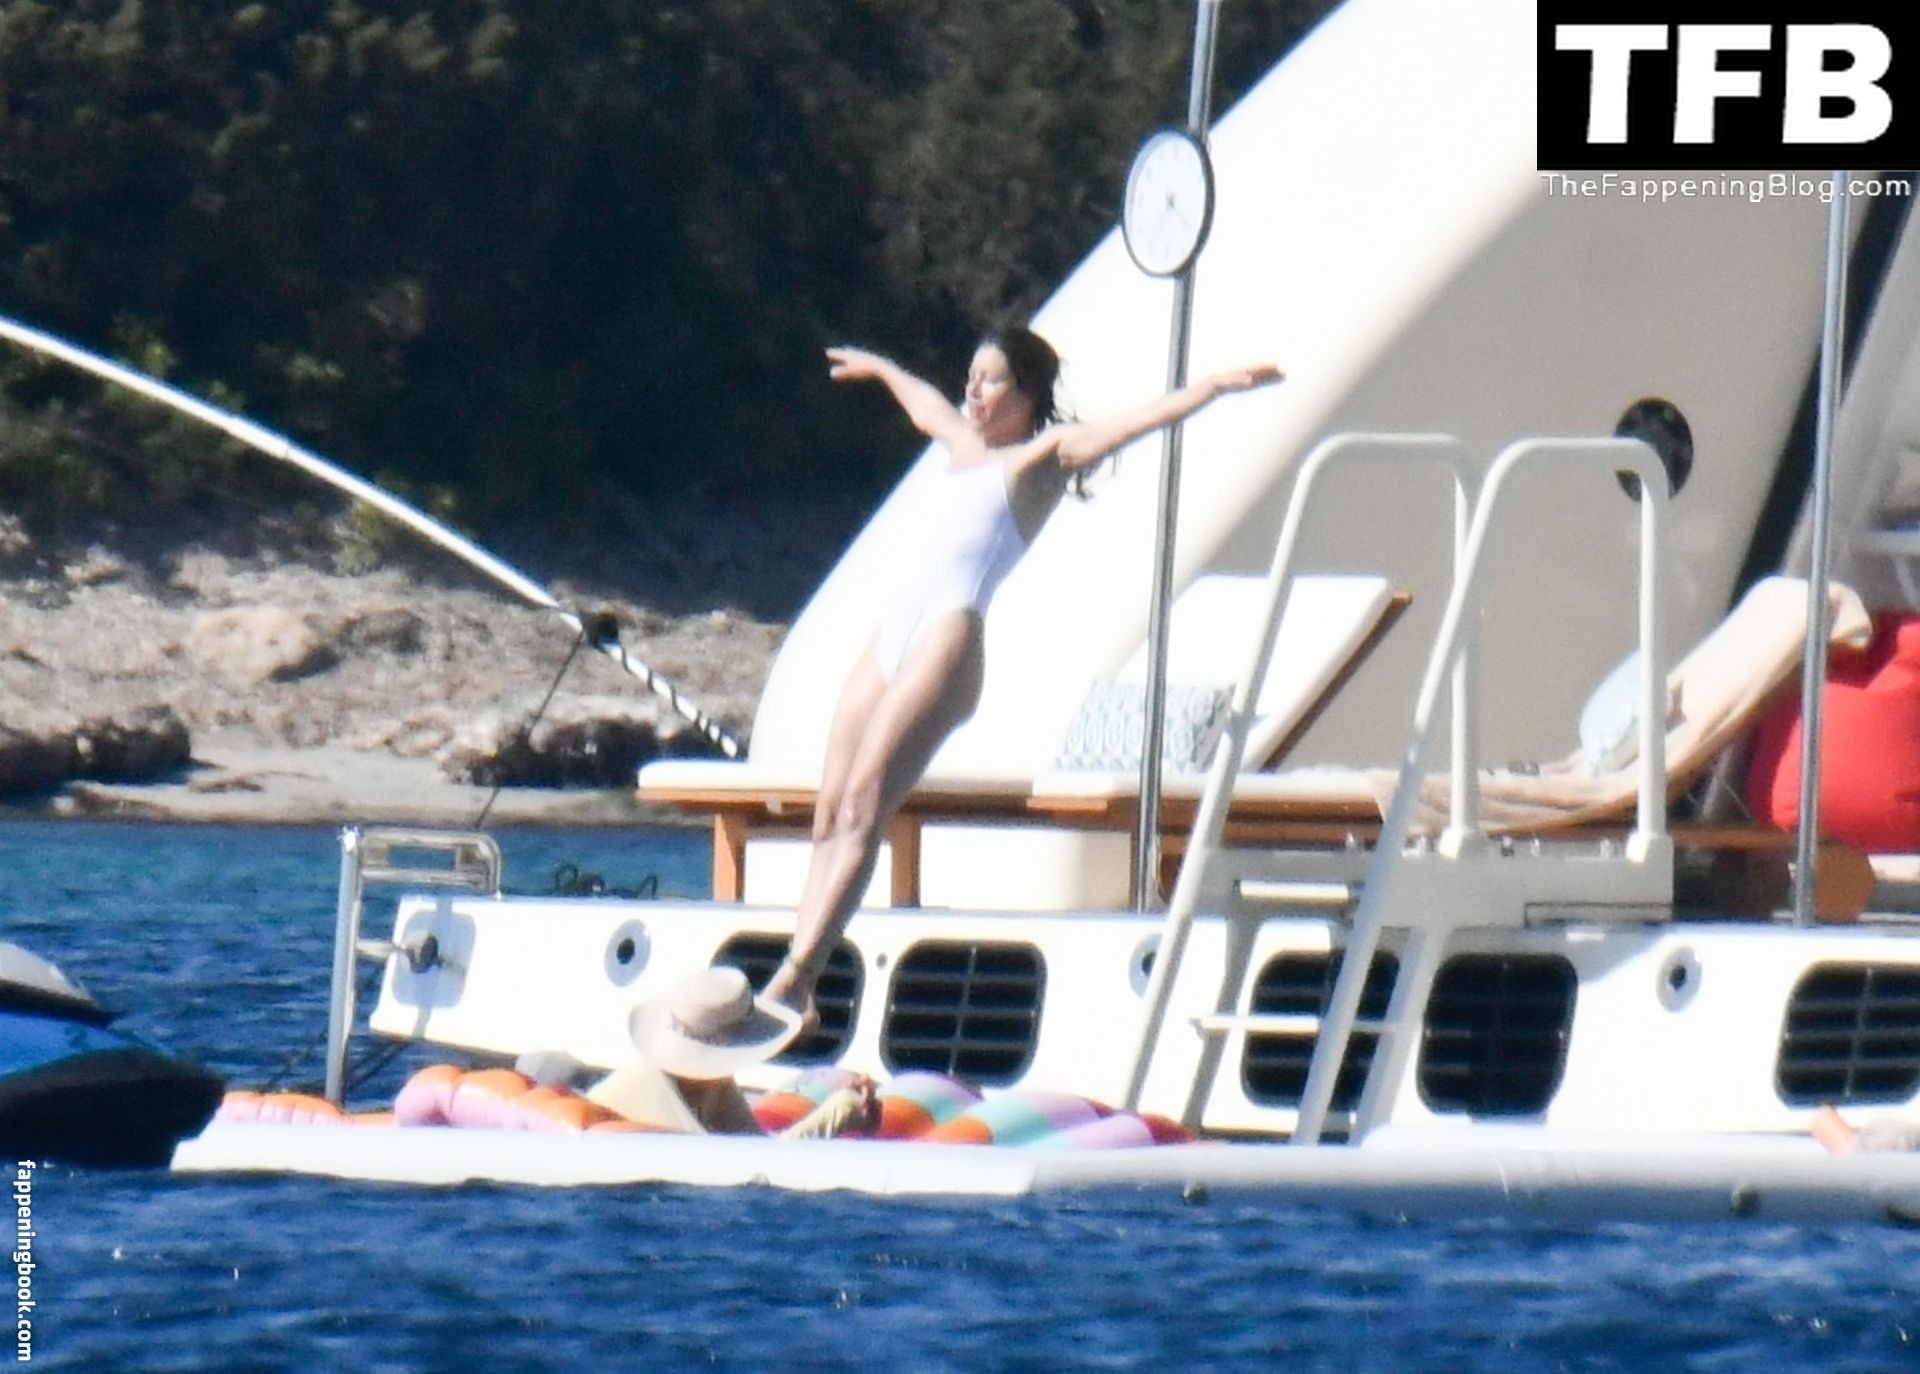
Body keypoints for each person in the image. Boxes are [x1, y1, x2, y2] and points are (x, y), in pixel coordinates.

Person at [764, 326, 1284, 1025]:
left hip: (945, 641)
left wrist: (1211, 388)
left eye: (991, 381)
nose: (973, 392)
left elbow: (1132, 424)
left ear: (1028, 393)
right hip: (891, 636)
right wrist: (882, 366)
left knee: (863, 806)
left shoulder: (1043, 456)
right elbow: (925, 404)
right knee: (829, 810)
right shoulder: (961, 445)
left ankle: (801, 976)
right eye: (971, 378)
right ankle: (794, 972)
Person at [590, 964, 874, 1136]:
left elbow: (756, 1149)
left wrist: (843, 1108)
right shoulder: (661, 1098)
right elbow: (755, 1168)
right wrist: (840, 1112)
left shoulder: (711, 1083)